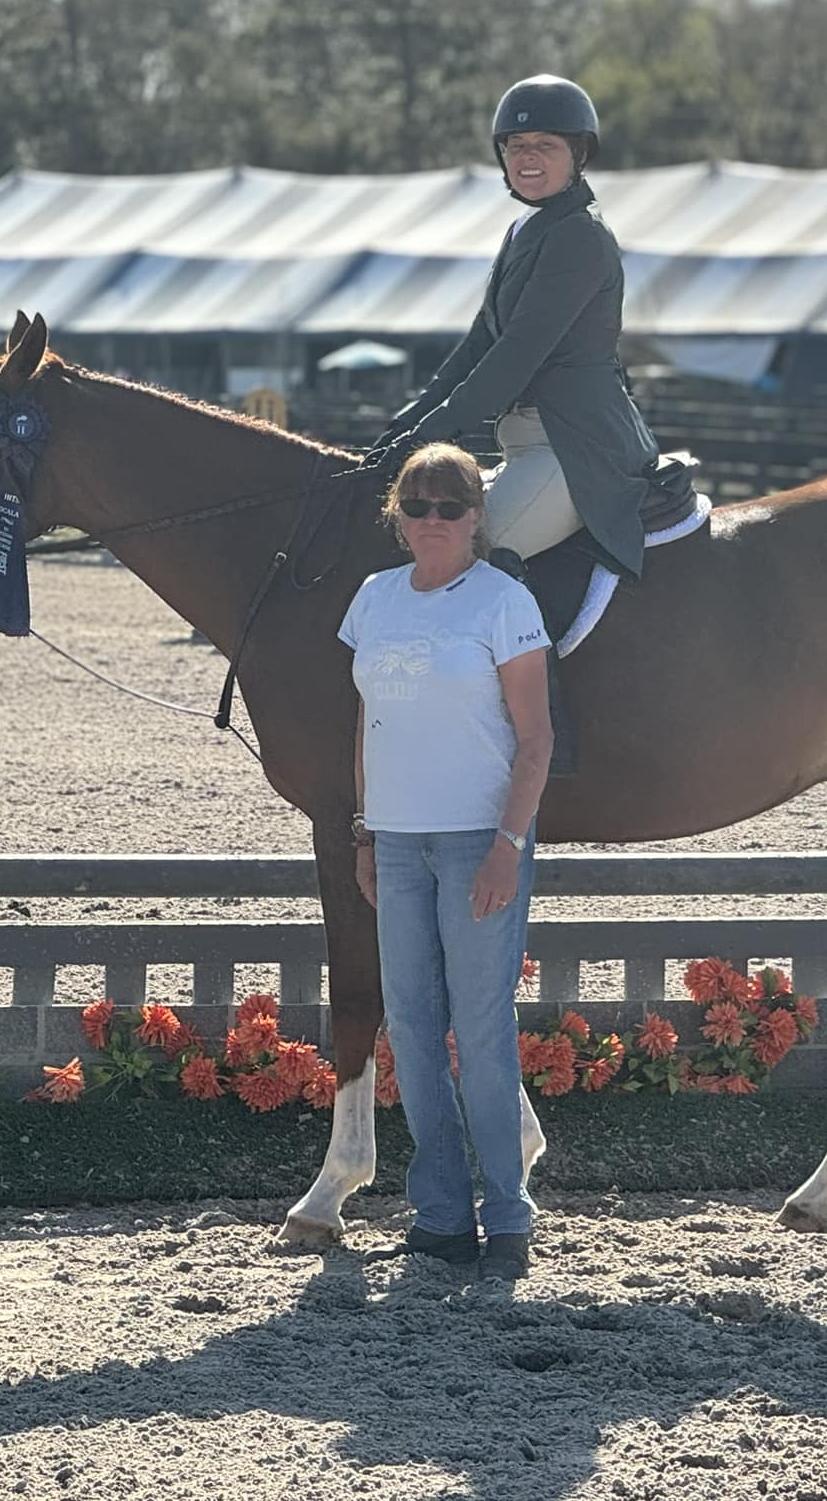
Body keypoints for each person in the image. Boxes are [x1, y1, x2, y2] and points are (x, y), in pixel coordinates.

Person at [339, 444, 554, 1279]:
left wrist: (506, 844)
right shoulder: (372, 599)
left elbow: (535, 739)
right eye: (419, 504)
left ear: (476, 518)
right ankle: (437, 1211)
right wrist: (365, 832)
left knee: (484, 1031)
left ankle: (506, 1212)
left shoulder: (504, 603)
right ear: (397, 513)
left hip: (476, 840)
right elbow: (368, 726)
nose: (434, 519)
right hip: (395, 843)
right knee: (415, 1029)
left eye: (451, 506)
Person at [366, 74, 661, 578]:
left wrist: (433, 432)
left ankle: (533, 659)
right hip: (524, 446)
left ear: (578, 154)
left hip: (573, 449)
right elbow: (480, 342)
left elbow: (518, 352)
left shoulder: (579, 236)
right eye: (516, 145)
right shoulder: (526, 229)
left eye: (546, 145)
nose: (528, 157)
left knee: (455, 555)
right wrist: (407, 422)